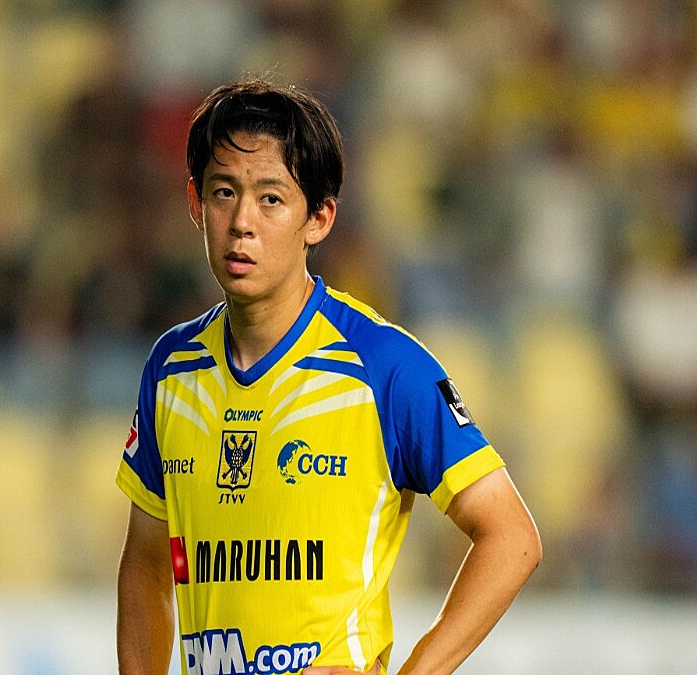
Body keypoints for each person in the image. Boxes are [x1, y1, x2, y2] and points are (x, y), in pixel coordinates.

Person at [115, 78, 541, 675]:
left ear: (319, 218)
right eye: (223, 192)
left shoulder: (382, 366)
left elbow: (512, 537)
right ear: (195, 203)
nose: (242, 222)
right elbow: (146, 562)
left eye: (271, 199)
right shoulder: (172, 369)